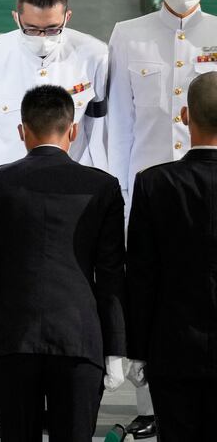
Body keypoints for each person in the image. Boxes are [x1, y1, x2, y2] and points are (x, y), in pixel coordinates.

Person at [0, 85, 127, 442]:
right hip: (81, 339)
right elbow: (112, 273)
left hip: (11, 337)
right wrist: (116, 347)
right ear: (73, 129)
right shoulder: (103, 186)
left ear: (22, 131)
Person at [106, 0, 216, 437]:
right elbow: (120, 124)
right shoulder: (129, 34)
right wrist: (123, 192)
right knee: (151, 285)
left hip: (209, 183)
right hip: (148, 187)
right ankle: (151, 401)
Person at [0, 0, 108, 225]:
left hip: (71, 191)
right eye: (31, 29)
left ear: (67, 18)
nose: (42, 37)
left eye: (52, 29)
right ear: (16, 17)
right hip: (6, 192)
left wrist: (104, 189)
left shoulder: (95, 55)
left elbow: (99, 133)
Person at [126, 71, 217, 441]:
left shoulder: (154, 182)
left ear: (184, 115)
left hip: (172, 345)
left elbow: (141, 272)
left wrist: (136, 349)